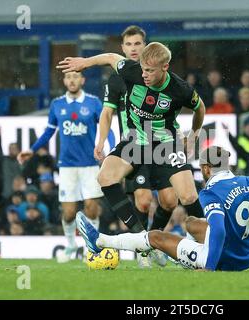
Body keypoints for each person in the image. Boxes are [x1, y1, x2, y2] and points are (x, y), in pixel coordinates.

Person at [57, 41, 206, 261]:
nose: (144, 74)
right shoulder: (132, 70)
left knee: (188, 195)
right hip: (136, 139)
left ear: (165, 67)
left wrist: (193, 135)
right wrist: (85, 63)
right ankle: (142, 237)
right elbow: (110, 57)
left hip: (166, 143)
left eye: (150, 70)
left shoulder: (180, 89)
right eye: (143, 68)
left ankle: (206, 247)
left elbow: (200, 107)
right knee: (105, 177)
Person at [75, 146, 249, 272]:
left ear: (206, 169)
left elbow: (217, 229)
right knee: (192, 223)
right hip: (248, 255)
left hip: (223, 259)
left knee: (156, 237)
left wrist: (208, 268)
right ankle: (186, 255)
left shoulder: (211, 192)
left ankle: (100, 240)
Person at [101, 26, 178, 267]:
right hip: (134, 146)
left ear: (146, 46)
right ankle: (143, 246)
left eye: (138, 44)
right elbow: (107, 113)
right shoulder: (117, 79)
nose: (133, 48)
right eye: (129, 45)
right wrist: (101, 141)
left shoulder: (156, 75)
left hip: (162, 145)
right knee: (143, 200)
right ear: (123, 48)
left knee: (169, 201)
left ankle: (152, 242)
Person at [17, 70, 104, 263]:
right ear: (64, 81)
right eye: (69, 77)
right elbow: (49, 131)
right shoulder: (57, 104)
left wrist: (109, 147)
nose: (72, 80)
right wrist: (32, 149)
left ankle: (93, 248)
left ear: (83, 80)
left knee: (91, 208)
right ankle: (71, 245)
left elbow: (106, 126)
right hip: (67, 166)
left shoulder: (94, 103)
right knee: (69, 212)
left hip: (90, 164)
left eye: (76, 76)